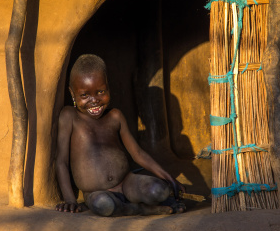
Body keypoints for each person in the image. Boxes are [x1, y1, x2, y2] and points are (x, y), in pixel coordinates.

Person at [55, 54, 186, 216]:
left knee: (159, 190)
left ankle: (148, 203)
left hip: (126, 182)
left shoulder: (115, 116)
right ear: (72, 93)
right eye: (84, 95)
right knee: (103, 205)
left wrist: (168, 178)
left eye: (100, 92)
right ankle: (142, 209)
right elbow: (61, 162)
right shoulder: (69, 116)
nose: (94, 100)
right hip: (96, 192)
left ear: (108, 87)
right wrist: (70, 200)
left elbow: (137, 153)